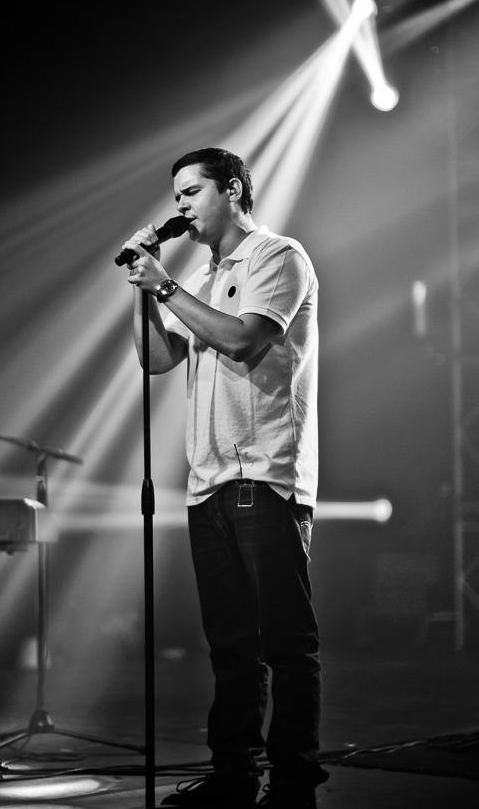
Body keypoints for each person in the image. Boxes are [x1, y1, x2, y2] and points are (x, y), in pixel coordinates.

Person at [121, 149, 329, 809]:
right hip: (207, 484)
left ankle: (295, 780)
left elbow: (243, 341)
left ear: (232, 190)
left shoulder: (279, 257)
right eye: (175, 194)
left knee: (286, 643)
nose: (179, 205)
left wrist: (164, 287)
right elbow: (157, 360)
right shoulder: (205, 278)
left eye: (192, 192)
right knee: (230, 646)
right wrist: (144, 294)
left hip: (263, 478)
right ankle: (235, 774)